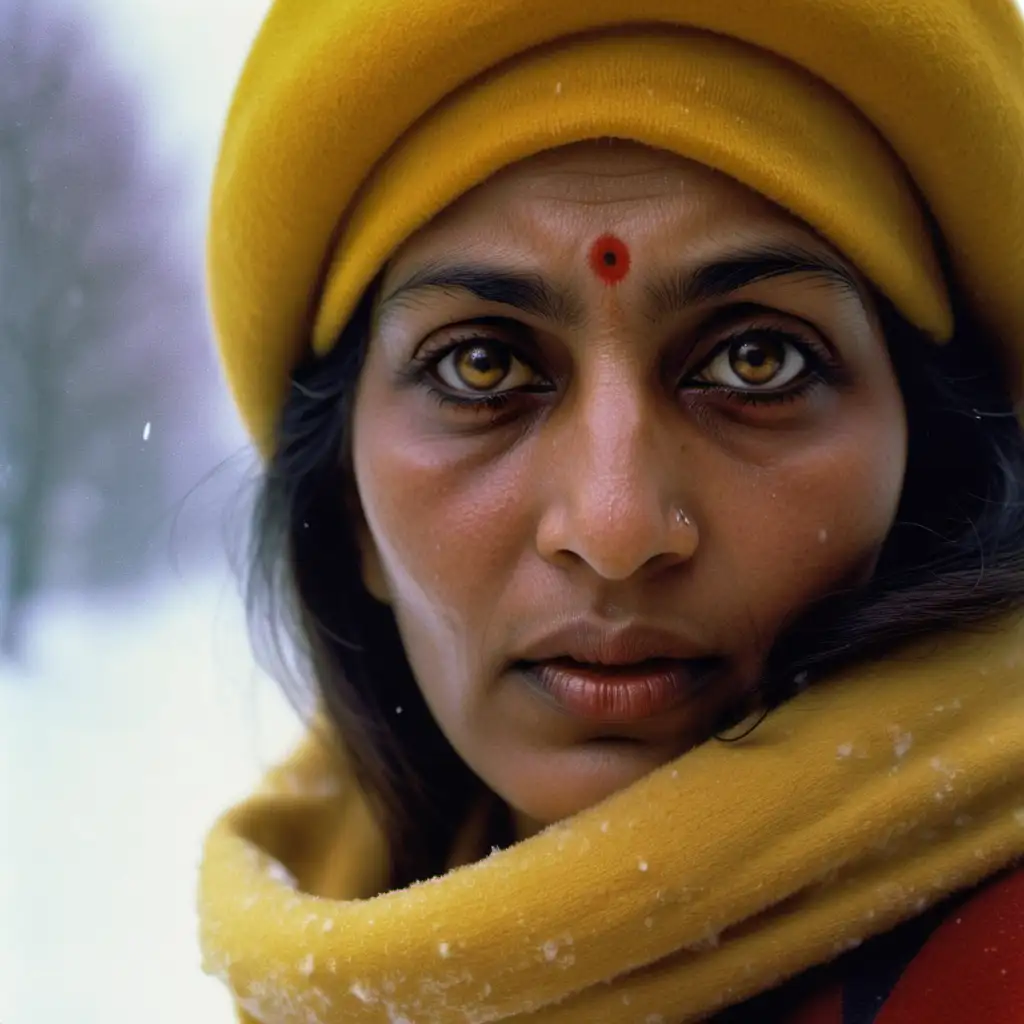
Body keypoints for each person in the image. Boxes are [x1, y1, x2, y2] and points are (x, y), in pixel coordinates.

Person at [197, 1, 1024, 1020]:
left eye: (753, 360)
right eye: (481, 365)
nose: (616, 526)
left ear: (929, 465)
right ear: (346, 505)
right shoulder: (339, 913)